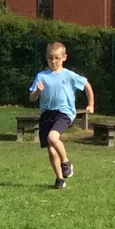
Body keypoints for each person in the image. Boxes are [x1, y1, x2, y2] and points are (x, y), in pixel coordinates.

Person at [29, 41, 95, 189]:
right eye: (50, 58)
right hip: (47, 114)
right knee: (51, 149)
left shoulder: (69, 75)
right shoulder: (41, 76)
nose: (53, 61)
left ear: (64, 57)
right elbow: (32, 97)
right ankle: (59, 179)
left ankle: (66, 162)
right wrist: (38, 91)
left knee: (53, 138)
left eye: (57, 58)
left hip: (64, 112)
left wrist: (91, 104)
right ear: (46, 58)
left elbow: (87, 86)